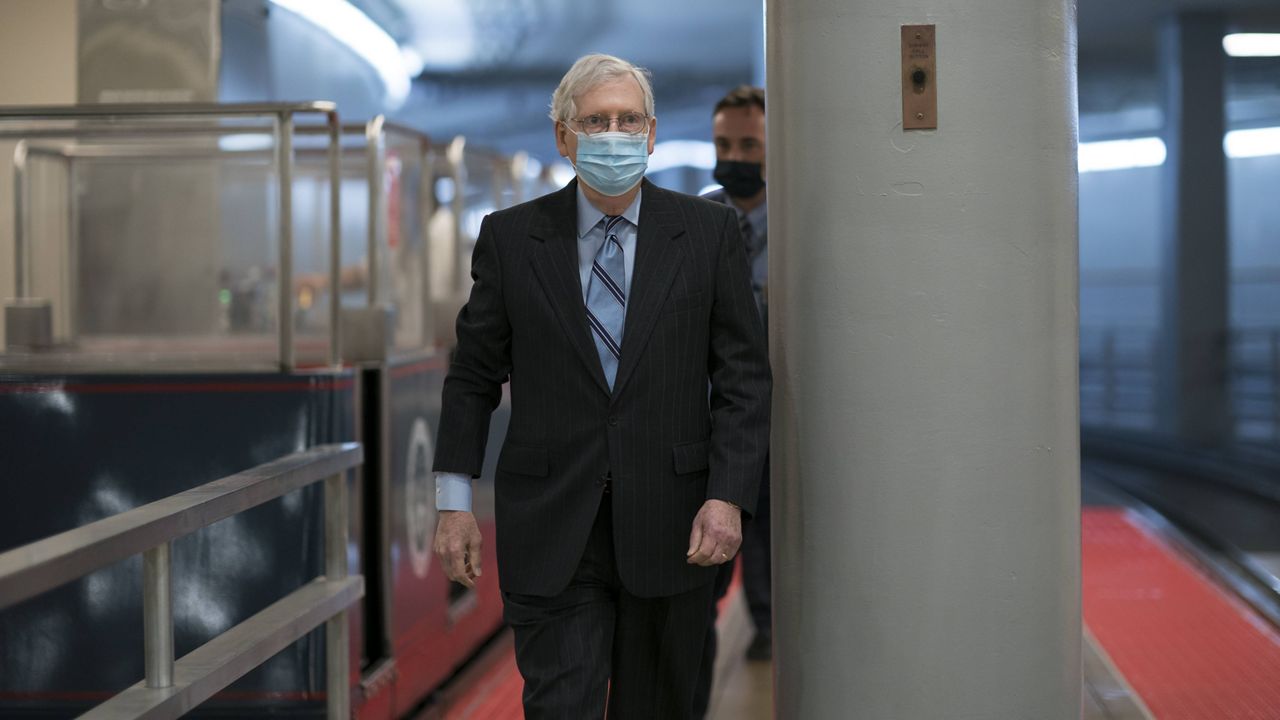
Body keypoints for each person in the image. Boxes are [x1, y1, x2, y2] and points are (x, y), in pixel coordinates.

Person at [430, 54, 771, 720]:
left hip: (675, 529)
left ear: (650, 133)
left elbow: (742, 379)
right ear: (564, 136)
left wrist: (728, 496)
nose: (612, 134)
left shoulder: (706, 234)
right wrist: (452, 500)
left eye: (627, 120)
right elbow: (472, 374)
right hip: (553, 527)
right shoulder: (511, 239)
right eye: (594, 121)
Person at [693, 83, 772, 719]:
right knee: (702, 578)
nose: (735, 154)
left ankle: (773, 647)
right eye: (724, 143)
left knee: (778, 565)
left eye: (749, 144)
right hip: (711, 430)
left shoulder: (803, 224)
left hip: (787, 427)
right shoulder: (695, 223)